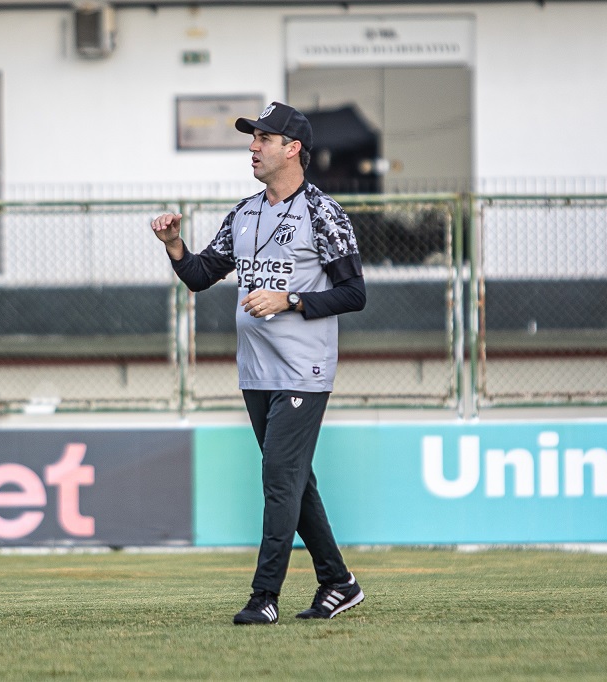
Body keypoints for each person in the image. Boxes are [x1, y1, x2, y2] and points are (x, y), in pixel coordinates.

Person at [150, 101, 366, 625]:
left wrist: (289, 299)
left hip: (303, 371)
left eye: (263, 139)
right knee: (295, 483)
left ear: (292, 149)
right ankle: (339, 583)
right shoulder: (245, 213)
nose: (253, 146)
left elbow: (354, 292)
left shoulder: (323, 211)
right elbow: (202, 275)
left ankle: (263, 597)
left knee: (278, 479)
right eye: (253, 138)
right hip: (256, 373)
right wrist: (175, 245)